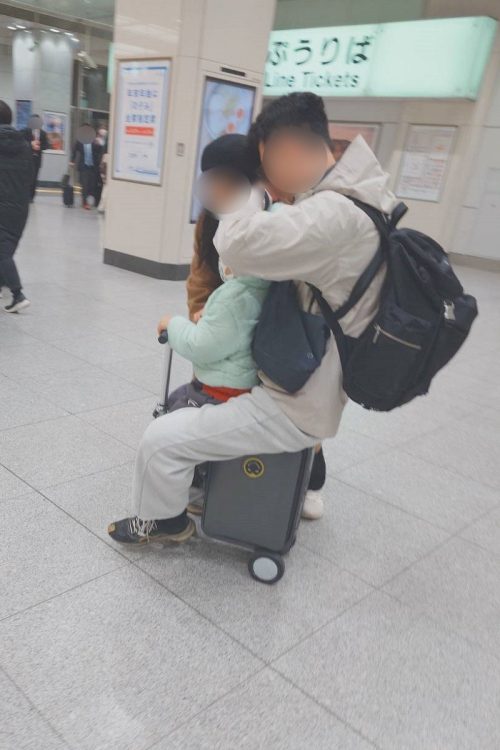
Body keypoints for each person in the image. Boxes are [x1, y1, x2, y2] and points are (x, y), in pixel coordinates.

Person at [108, 92, 397, 546]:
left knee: (162, 438)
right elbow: (212, 273)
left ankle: (164, 523)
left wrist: (252, 191)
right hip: (294, 376)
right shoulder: (351, 199)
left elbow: (238, 246)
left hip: (293, 399)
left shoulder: (333, 213)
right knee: (189, 416)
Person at [186, 133, 326, 519]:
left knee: (295, 407)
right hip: (228, 324)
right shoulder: (209, 221)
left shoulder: (278, 214)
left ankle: (310, 481)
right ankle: (218, 479)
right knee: (220, 400)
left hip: (281, 325)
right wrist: (203, 313)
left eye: (229, 180)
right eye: (212, 179)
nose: (219, 188)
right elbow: (200, 274)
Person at [0, 100, 32, 313]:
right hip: (20, 208)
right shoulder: (24, 145)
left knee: (2, 252)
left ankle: (18, 294)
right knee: (6, 248)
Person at [70, 129, 103, 209]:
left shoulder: (94, 141)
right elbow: (74, 151)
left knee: (92, 185)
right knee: (85, 185)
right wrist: (72, 161)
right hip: (83, 166)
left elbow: (99, 151)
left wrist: (99, 143)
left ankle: (93, 201)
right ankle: (85, 203)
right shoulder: (79, 141)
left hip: (93, 166)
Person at [23, 115, 49, 201]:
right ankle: (25, 195)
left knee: (34, 178)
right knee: (26, 177)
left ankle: (31, 197)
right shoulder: (26, 131)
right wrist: (31, 144)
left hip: (37, 159)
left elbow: (46, 145)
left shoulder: (43, 133)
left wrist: (39, 147)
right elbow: (22, 141)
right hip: (27, 158)